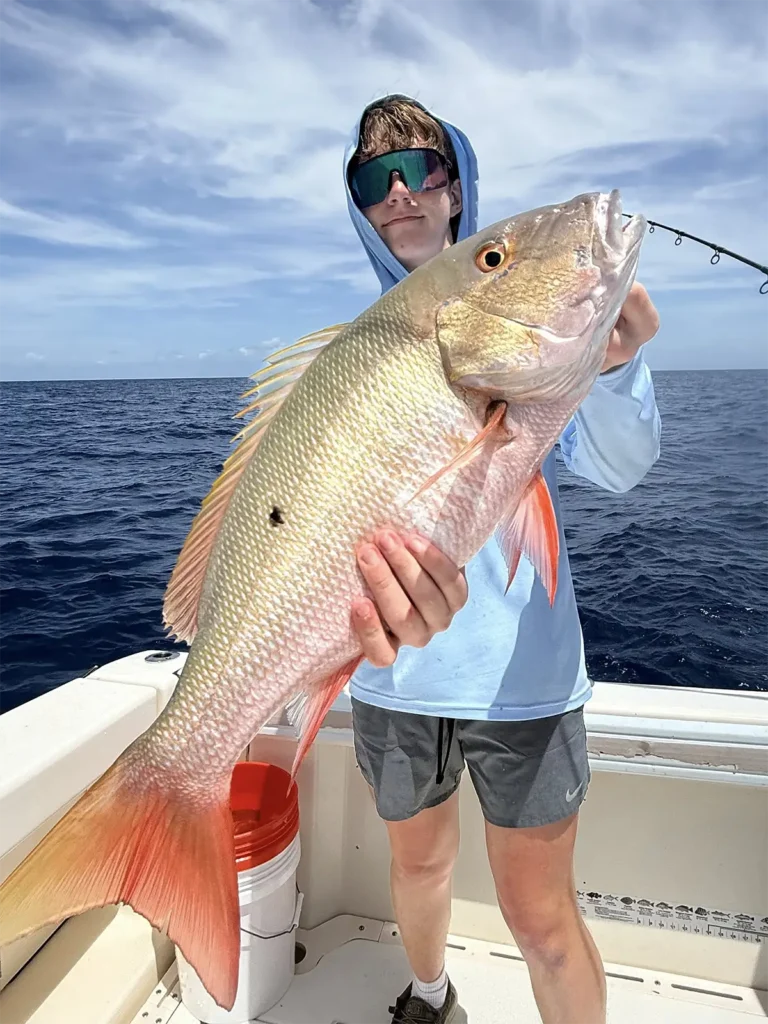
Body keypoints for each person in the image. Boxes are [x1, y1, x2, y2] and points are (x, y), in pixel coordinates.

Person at [342, 94, 661, 1024]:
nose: (400, 193)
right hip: (391, 678)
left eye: (423, 169)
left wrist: (607, 368)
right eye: (375, 179)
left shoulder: (525, 337)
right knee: (418, 864)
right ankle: (429, 994)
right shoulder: (361, 353)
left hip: (520, 682)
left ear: (457, 186)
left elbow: (618, 468)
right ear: (360, 204)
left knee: (540, 913)